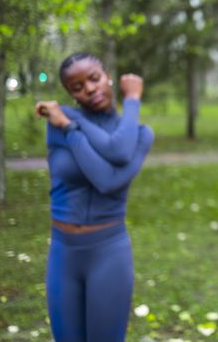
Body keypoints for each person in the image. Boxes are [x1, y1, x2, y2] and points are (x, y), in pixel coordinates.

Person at [35, 52, 154, 342]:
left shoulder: (140, 134)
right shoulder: (58, 119)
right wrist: (65, 123)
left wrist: (133, 100)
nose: (88, 89)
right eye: (76, 87)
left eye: (94, 78)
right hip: (63, 253)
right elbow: (110, 152)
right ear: (70, 94)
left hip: (108, 253)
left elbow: (109, 175)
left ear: (108, 76)